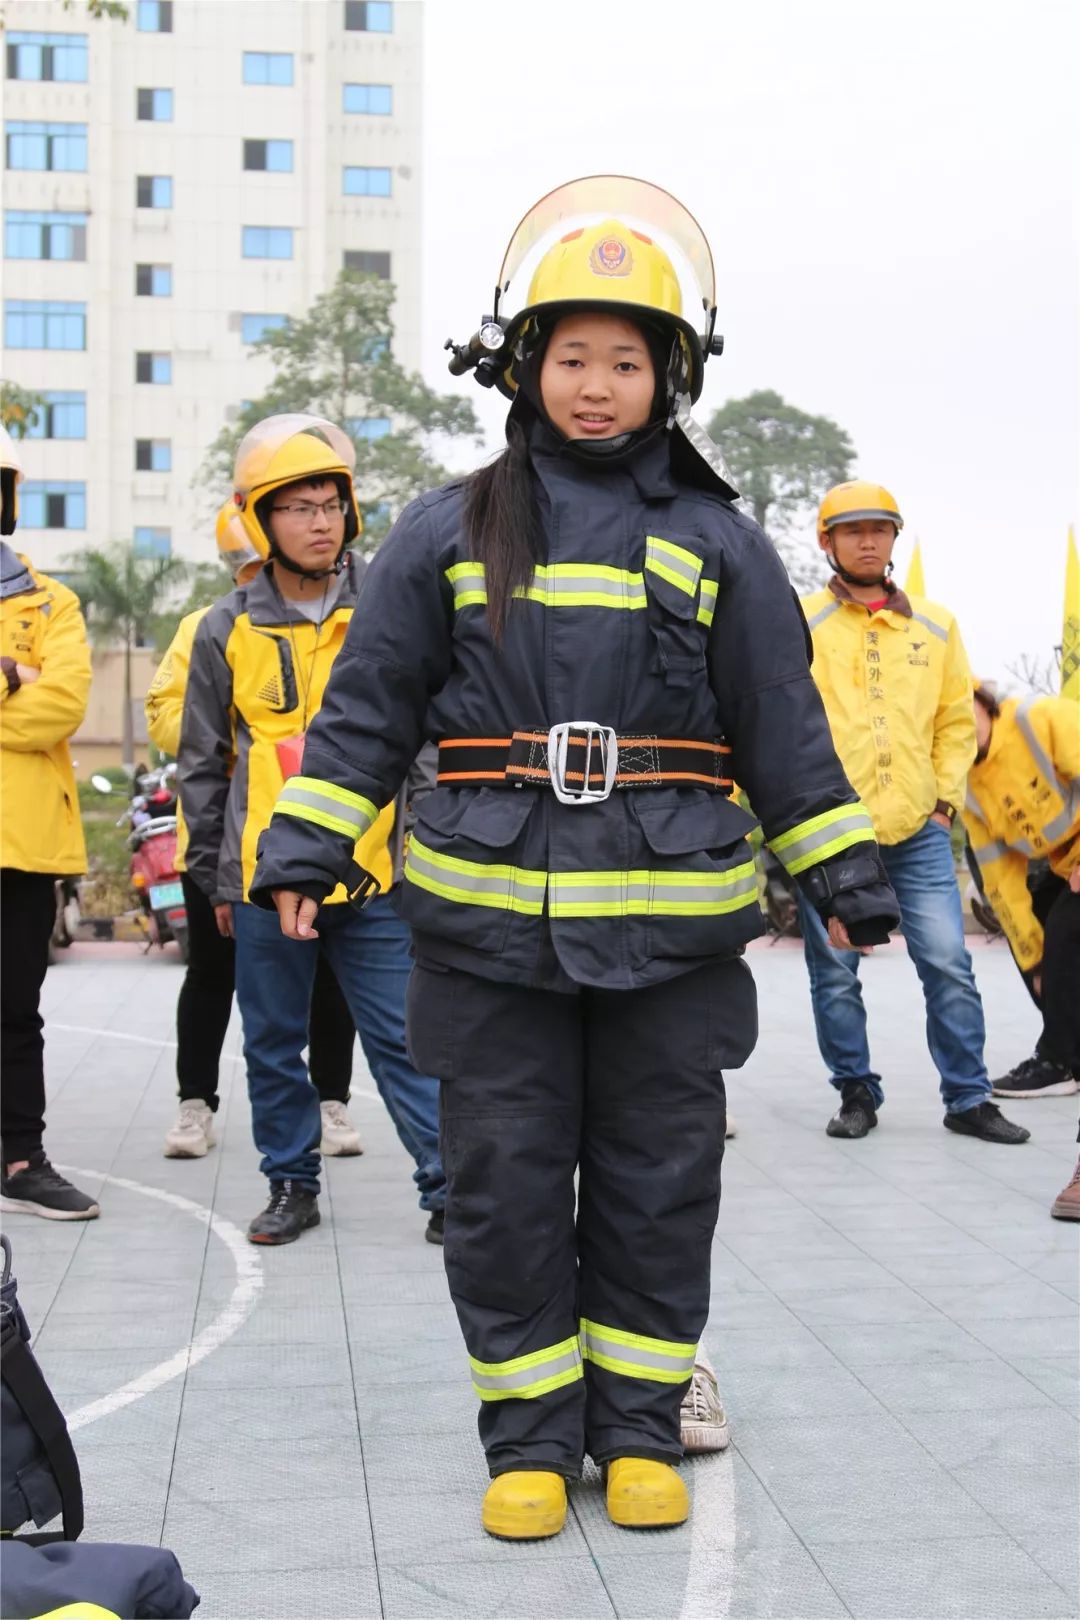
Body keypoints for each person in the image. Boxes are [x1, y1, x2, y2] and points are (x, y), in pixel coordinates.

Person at [249, 177, 899, 1538]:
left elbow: (783, 722)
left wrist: (841, 871)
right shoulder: (445, 529)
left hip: (673, 939)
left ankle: (643, 1427)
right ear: (523, 364)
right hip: (486, 937)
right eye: (571, 358)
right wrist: (306, 843)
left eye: (625, 361)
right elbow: (366, 709)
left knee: (664, 1186)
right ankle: (530, 1443)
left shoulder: (719, 540)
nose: (595, 387)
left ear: (671, 376)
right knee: (498, 1192)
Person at [178, 417, 446, 1245]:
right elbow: (205, 763)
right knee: (271, 1044)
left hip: (375, 878)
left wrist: (425, 852)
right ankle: (291, 1183)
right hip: (264, 882)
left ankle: (449, 1189)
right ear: (263, 522)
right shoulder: (225, 629)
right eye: (296, 507)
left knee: (406, 1039)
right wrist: (216, 877)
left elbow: (427, 748)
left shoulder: (390, 613)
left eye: (331, 503)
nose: (320, 521)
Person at [798, 482, 1029, 1145]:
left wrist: (943, 803)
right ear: (828, 542)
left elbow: (957, 719)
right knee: (835, 973)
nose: (868, 540)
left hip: (918, 829)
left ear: (895, 539)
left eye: (880, 529)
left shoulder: (936, 623)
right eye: (852, 530)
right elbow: (787, 721)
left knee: (949, 965)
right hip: (833, 832)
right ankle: (855, 1092)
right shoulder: (801, 621)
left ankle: (968, 1098)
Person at [146, 504, 362, 1160]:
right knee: (212, 975)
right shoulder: (210, 627)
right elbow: (171, 721)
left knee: (330, 979)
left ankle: (332, 1100)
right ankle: (195, 1103)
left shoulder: (349, 621)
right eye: (247, 566)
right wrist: (242, 736)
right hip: (226, 838)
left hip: (324, 834)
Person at [0, 424, 99, 1220]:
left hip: (21, 845)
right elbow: (30, 705)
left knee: (12, 1009)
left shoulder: (50, 600)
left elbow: (61, 706)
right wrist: (10, 675)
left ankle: (20, 1158)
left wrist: (32, 680)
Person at [964, 683, 1080, 1216]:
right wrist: (1034, 963)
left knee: (1068, 933)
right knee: (1040, 939)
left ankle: (1063, 1053)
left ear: (984, 703)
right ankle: (1062, 1052)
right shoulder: (968, 787)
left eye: (959, 711)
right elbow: (1000, 882)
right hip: (1062, 864)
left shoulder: (1040, 719)